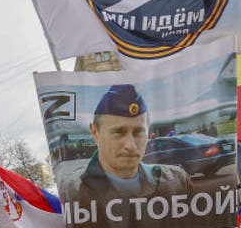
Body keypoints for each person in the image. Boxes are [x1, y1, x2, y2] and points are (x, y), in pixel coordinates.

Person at [58, 84, 192, 206]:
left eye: (138, 132)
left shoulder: (176, 181)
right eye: (118, 132)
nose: (131, 146)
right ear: (95, 133)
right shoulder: (72, 191)